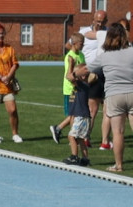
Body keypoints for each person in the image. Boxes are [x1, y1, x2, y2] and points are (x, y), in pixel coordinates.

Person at [87, 23, 133, 172]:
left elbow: (87, 69)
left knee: (118, 132)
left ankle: (119, 165)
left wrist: (74, 74)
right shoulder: (132, 51)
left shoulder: (104, 56)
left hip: (114, 95)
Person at [80, 10, 112, 150]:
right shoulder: (109, 34)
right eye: (97, 21)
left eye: (101, 21)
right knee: (94, 109)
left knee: (107, 109)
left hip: (104, 72)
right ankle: (90, 138)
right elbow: (85, 34)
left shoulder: (103, 33)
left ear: (106, 21)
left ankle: (103, 141)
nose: (99, 24)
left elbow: (88, 34)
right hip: (99, 72)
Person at [52, 32, 85, 143]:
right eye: (81, 43)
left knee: (75, 114)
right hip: (70, 89)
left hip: (80, 88)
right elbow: (69, 74)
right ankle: (72, 137)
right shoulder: (69, 56)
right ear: (75, 43)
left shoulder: (81, 55)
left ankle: (58, 128)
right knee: (73, 115)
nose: (83, 46)